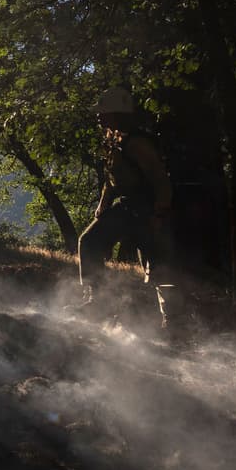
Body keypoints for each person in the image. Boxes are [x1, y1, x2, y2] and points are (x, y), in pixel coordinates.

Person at [77, 87, 175, 326]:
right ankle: (97, 299)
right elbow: (111, 181)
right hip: (130, 208)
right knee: (89, 242)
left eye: (104, 113)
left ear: (118, 114)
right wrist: (103, 206)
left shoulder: (137, 144)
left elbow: (160, 180)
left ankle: (172, 322)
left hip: (147, 210)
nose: (99, 117)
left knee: (157, 267)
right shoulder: (114, 142)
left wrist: (159, 214)